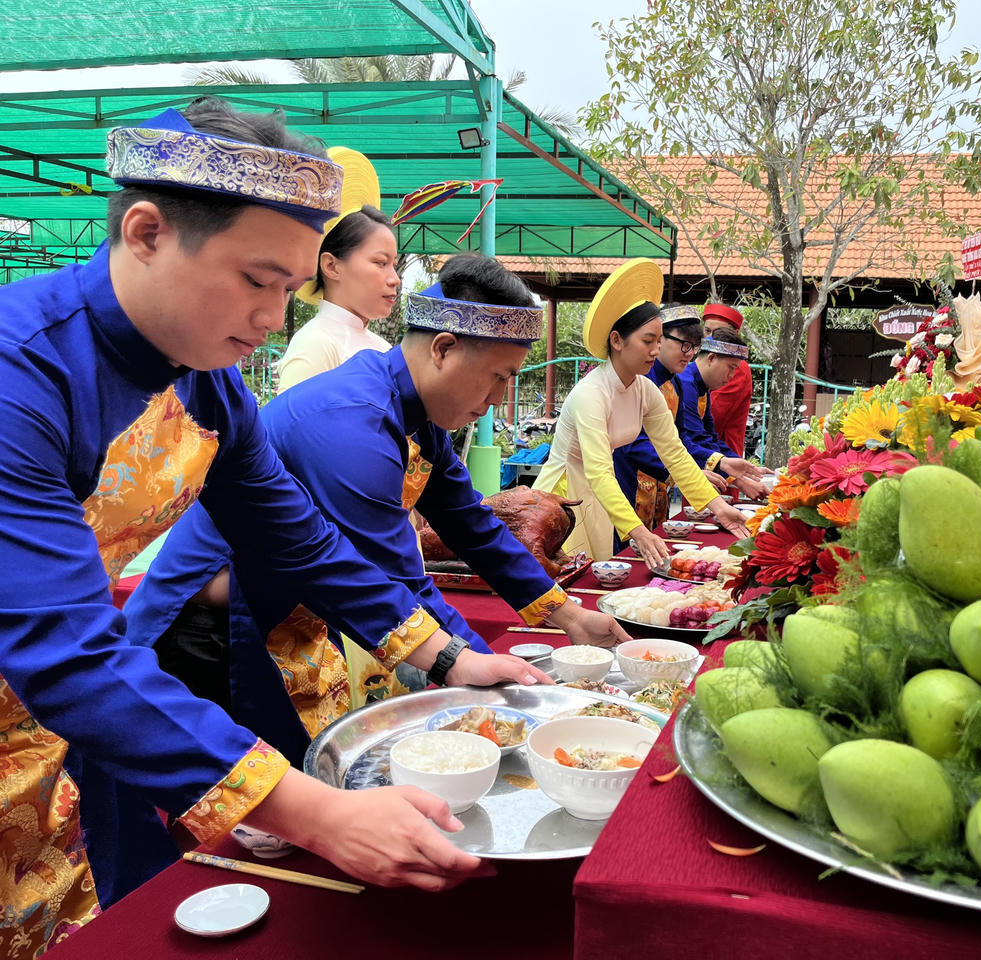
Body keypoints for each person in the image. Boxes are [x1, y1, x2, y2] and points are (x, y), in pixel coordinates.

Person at [0, 99, 543, 956]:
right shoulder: (19, 372)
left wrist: (448, 656)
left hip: (73, 715)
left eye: (289, 290)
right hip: (59, 676)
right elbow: (62, 645)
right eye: (257, 280)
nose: (272, 316)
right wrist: (315, 809)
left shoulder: (208, 382)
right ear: (145, 232)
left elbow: (297, 541)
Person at [126, 252, 630, 767]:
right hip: (213, 626)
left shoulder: (413, 412)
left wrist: (564, 614)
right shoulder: (353, 421)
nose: (500, 400)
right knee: (260, 800)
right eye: (499, 377)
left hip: (294, 608)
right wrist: (478, 664)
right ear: (444, 348)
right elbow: (396, 577)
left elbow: (471, 523)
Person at [533, 259, 749, 568]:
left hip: (601, 495)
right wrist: (638, 531)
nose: (654, 350)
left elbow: (674, 453)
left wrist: (717, 506)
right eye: (648, 341)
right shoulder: (591, 393)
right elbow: (598, 471)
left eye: (659, 341)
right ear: (617, 340)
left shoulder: (645, 391)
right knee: (567, 578)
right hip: (565, 496)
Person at [275, 147, 399, 391]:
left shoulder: (384, 350)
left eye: (393, 265)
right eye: (380, 263)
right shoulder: (314, 346)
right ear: (331, 266)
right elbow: (289, 428)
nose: (394, 279)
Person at [612, 304, 707, 531]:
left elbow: (679, 438)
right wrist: (683, 473)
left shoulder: (675, 383)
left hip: (659, 488)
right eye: (684, 345)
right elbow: (631, 443)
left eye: (694, 347)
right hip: (630, 482)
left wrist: (709, 465)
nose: (690, 354)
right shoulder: (637, 379)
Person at [669, 329, 770, 500]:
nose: (731, 376)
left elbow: (709, 438)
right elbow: (693, 439)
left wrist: (745, 469)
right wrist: (739, 479)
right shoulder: (685, 382)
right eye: (730, 368)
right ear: (711, 358)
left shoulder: (702, 387)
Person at [704, 303, 753, 456]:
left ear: (735, 334)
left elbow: (713, 418)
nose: (711, 339)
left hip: (721, 454)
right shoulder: (703, 360)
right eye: (707, 331)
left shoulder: (737, 368)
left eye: (718, 333)